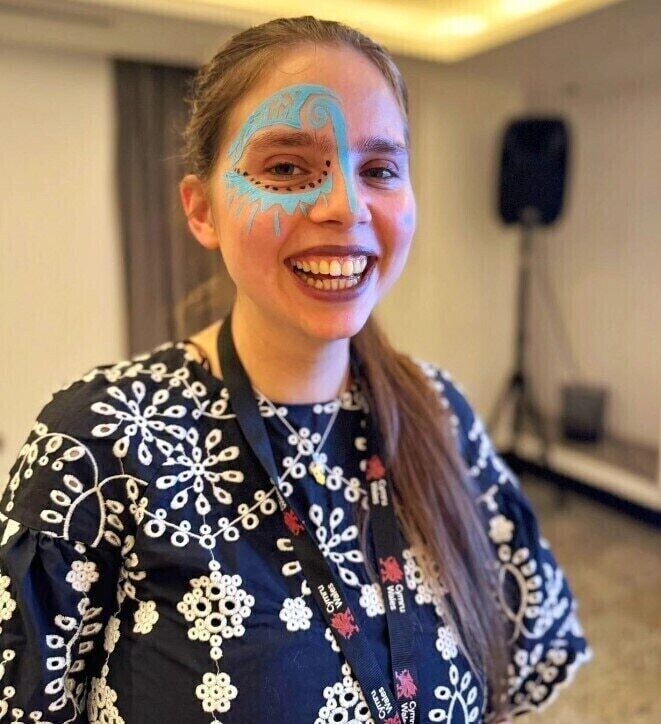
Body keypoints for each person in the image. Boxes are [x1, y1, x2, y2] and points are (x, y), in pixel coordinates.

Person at [0, 16, 591, 724]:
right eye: (285, 168)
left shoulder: (439, 411)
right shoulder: (98, 444)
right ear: (202, 210)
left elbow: (519, 669)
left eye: (379, 170)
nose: (346, 206)